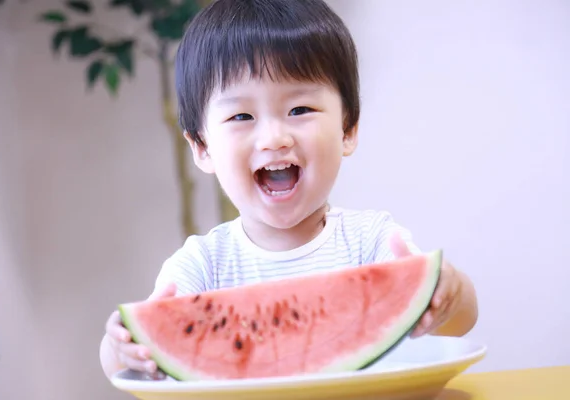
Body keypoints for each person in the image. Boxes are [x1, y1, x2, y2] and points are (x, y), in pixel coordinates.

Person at [99, 0, 478, 380]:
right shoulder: (203, 263)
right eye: (241, 116)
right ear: (202, 147)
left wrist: (451, 292)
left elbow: (459, 321)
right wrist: (121, 346)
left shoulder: (371, 242)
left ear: (347, 129)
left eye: (299, 110)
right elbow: (140, 350)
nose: (274, 138)